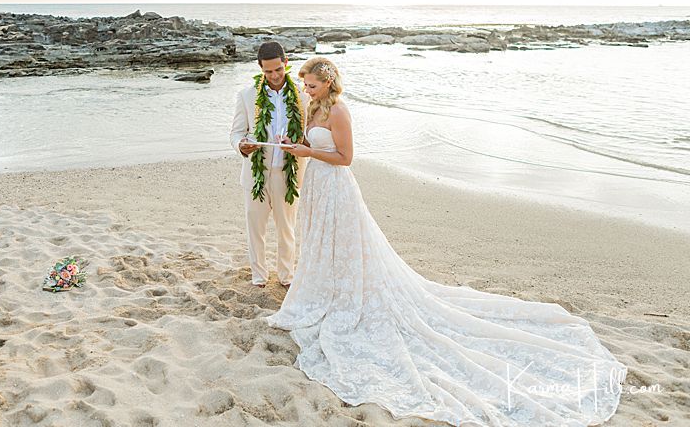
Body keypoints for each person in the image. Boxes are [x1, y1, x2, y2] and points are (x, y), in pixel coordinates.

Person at [267, 57, 625, 426]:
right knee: (320, 243)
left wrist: (308, 152)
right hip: (316, 186)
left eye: (310, 85)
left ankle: (344, 294)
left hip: (337, 187)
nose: (306, 90)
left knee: (344, 245)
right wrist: (294, 143)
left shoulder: (340, 112)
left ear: (327, 82)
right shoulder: (313, 108)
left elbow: (346, 158)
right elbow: (312, 143)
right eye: (305, 85)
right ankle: (322, 290)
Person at [229, 41, 306, 287]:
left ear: (286, 63)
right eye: (268, 72)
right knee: (256, 228)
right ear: (260, 68)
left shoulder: (303, 96)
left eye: (278, 70)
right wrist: (241, 145)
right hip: (256, 173)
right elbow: (236, 132)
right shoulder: (246, 95)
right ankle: (259, 275)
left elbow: (310, 135)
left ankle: (286, 276)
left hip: (288, 172)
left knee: (287, 228)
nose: (273, 76)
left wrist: (296, 142)